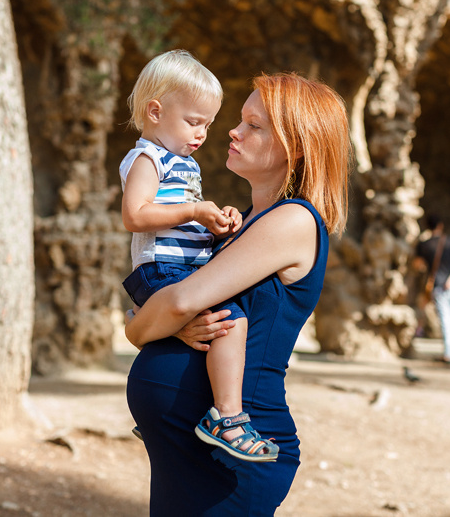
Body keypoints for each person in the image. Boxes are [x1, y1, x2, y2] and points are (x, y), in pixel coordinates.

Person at [124, 72, 351, 515]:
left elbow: (178, 303)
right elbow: (160, 309)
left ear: (296, 146)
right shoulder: (238, 224)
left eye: (254, 125)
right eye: (241, 120)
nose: (233, 130)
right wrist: (148, 327)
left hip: (233, 459)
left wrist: (145, 329)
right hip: (184, 447)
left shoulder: (294, 221)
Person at [120, 50, 254, 452]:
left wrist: (215, 222)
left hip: (182, 267)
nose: (201, 135)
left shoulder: (184, 163)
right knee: (232, 320)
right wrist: (196, 209)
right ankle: (228, 418)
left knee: (204, 334)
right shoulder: (148, 158)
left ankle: (168, 410)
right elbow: (136, 215)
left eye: (208, 125)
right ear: (155, 112)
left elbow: (183, 221)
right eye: (194, 122)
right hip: (162, 268)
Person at [413, 214, 450, 363]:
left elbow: (418, 265)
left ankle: (449, 353)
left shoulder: (423, 245)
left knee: (446, 320)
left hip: (438, 285)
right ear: (441, 225)